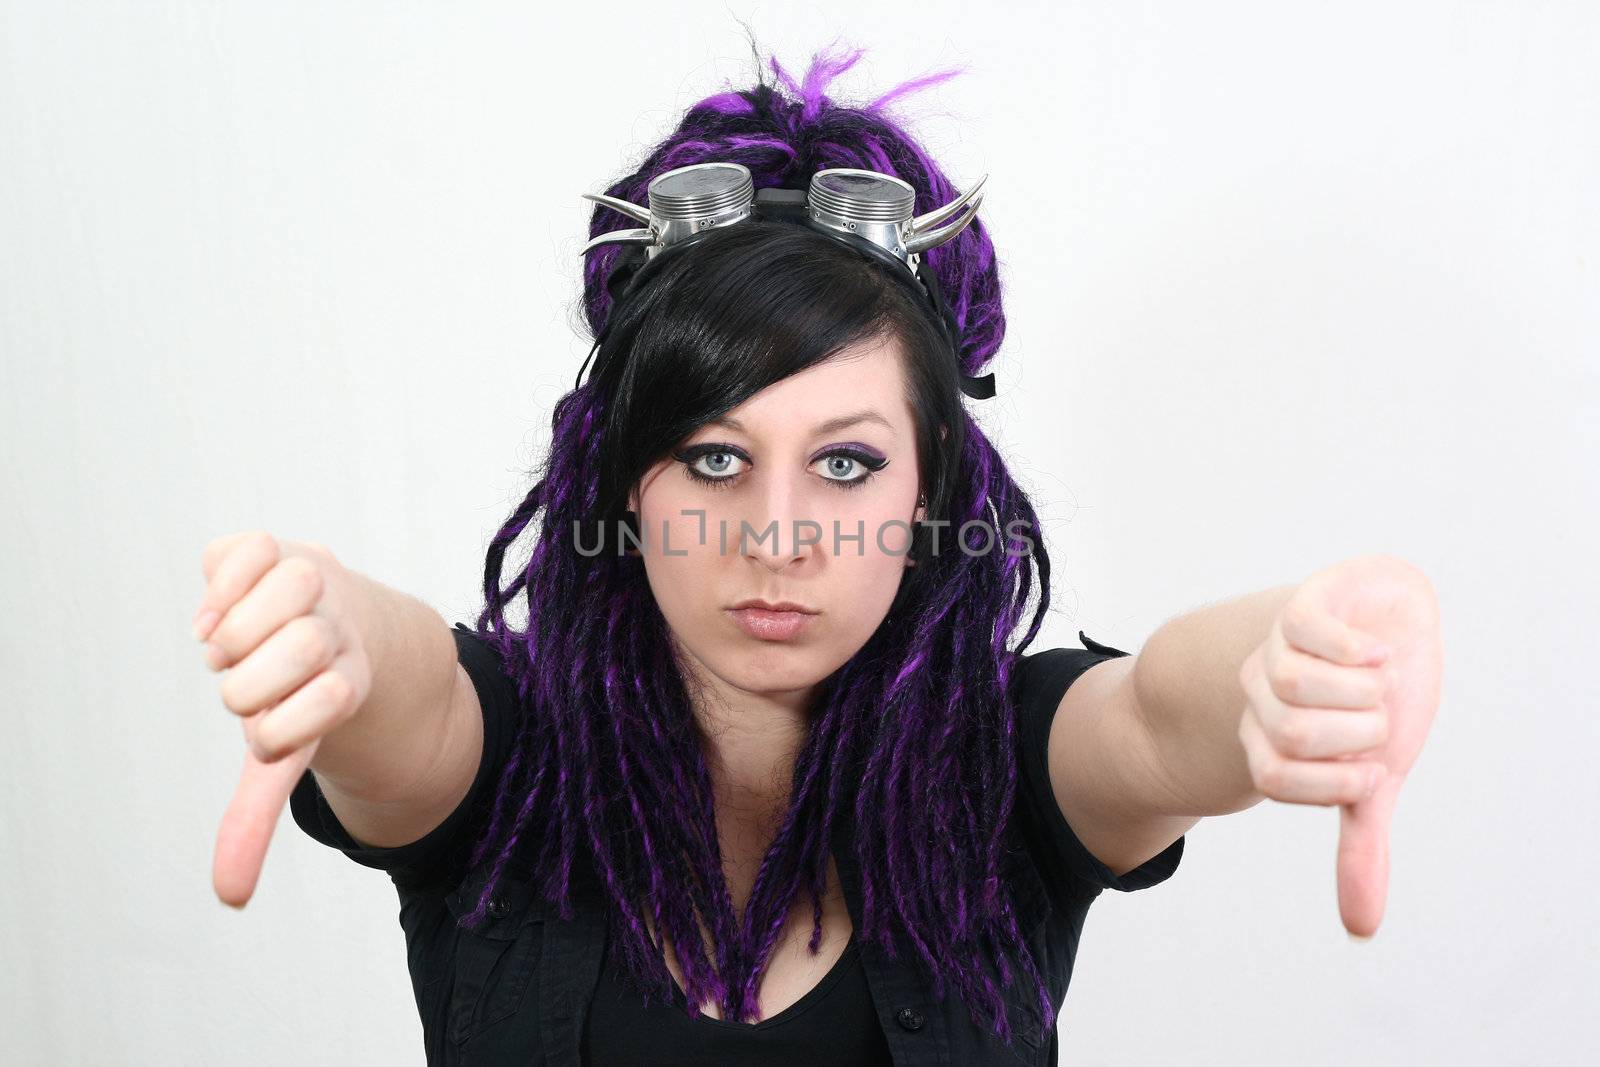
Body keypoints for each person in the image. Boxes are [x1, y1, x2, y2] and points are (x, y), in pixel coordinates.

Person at [193, 39, 1443, 1067]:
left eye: (844, 461)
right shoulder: (509, 759)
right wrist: (345, 637)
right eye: (712, 456)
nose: (776, 533)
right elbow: (413, 695)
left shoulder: (1009, 765)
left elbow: (1163, 711)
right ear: (623, 484)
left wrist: (1289, 661)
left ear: (929, 485)